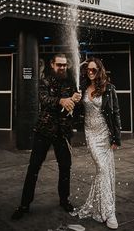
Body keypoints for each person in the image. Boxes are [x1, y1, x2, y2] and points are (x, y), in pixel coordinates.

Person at [12, 53, 82, 220]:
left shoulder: (70, 82)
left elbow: (74, 107)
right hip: (44, 131)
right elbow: (44, 99)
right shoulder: (44, 81)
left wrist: (75, 100)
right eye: (59, 65)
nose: (62, 67)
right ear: (52, 65)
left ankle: (64, 200)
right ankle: (24, 205)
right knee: (33, 168)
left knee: (65, 168)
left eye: (65, 65)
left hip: (63, 133)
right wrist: (61, 101)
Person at [71, 57, 121, 230]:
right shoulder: (82, 87)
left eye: (94, 70)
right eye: (88, 70)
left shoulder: (109, 88)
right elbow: (78, 110)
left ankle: (109, 211)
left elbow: (115, 114)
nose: (90, 72)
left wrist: (116, 138)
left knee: (104, 171)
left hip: (105, 134)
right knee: (102, 168)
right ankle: (108, 210)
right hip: (90, 133)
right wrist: (75, 100)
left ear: (100, 70)